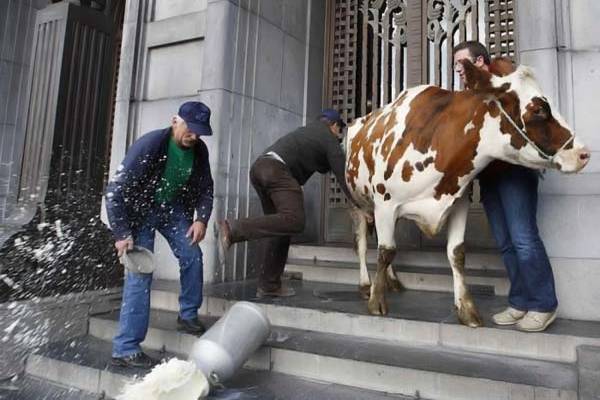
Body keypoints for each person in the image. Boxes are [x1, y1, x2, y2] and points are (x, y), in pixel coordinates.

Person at [453, 41, 558, 332]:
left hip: (515, 172)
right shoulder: (471, 95)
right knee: (507, 243)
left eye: (464, 63)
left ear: (482, 61)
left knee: (524, 239)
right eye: (457, 65)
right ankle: (520, 301)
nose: (459, 70)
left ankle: (543, 304)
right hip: (489, 177)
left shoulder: (508, 81)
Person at [105, 101, 214, 367]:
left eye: (200, 131)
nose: (195, 136)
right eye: (190, 129)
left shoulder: (199, 150)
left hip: (172, 208)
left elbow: (206, 188)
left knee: (192, 254)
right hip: (140, 211)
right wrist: (122, 233)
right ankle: (126, 348)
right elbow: (114, 191)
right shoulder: (150, 144)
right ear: (175, 120)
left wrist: (201, 219)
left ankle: (188, 315)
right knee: (140, 275)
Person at [217, 110, 360, 298]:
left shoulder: (308, 132)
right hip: (277, 171)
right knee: (294, 220)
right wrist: (358, 204)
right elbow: (342, 175)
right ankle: (232, 229)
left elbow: (324, 167)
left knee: (280, 228)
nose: (339, 134)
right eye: (339, 129)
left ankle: (269, 285)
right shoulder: (328, 138)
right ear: (333, 125)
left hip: (260, 169)